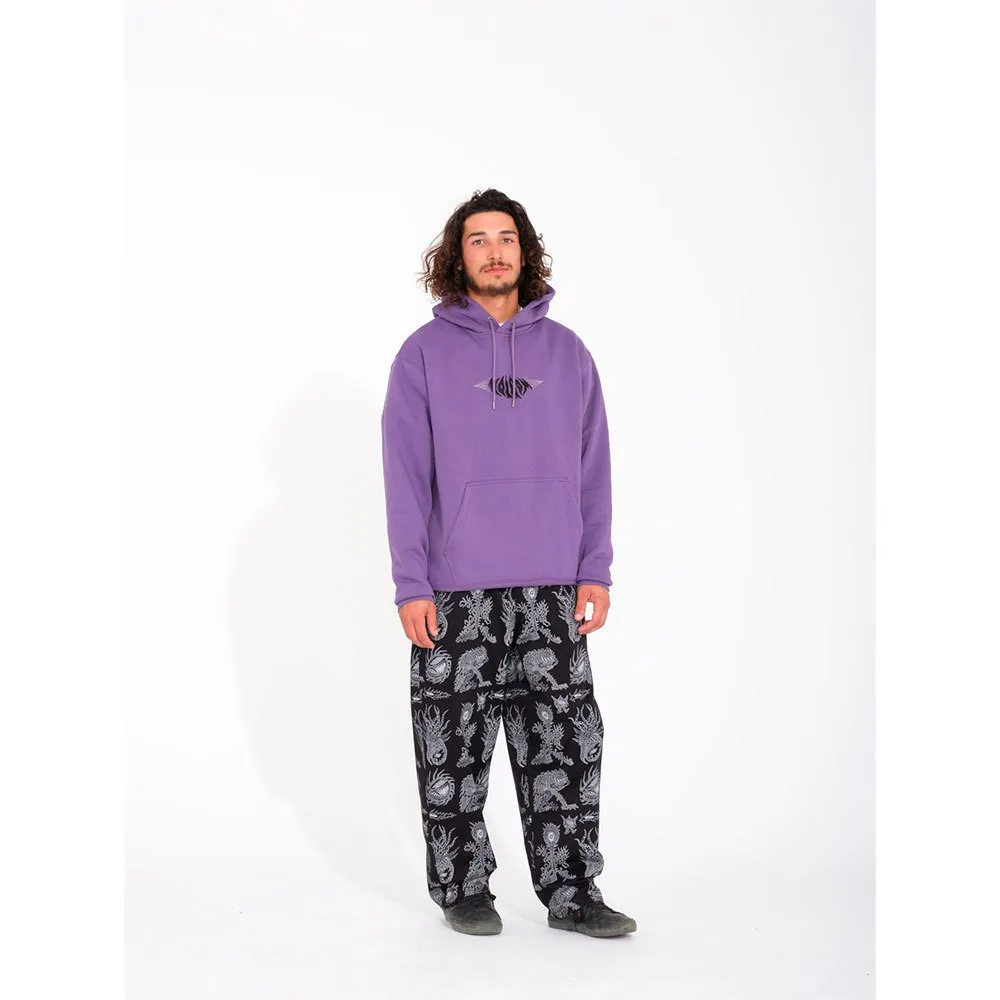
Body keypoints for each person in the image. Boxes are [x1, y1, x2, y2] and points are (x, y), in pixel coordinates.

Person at [380, 188, 636, 938]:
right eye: (477, 240)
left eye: (505, 238)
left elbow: (594, 470)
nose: (494, 252)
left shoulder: (570, 353)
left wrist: (595, 569)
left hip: (552, 585)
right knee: (451, 752)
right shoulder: (422, 355)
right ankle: (463, 889)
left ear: (525, 251)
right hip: (454, 590)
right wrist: (411, 582)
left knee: (566, 748)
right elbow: (405, 477)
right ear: (456, 258)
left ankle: (573, 892)